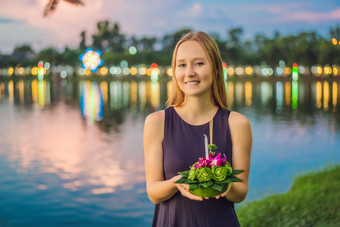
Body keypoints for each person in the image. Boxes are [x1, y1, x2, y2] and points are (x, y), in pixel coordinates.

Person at [143, 31, 252, 227]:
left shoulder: (237, 124)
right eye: (181, 65)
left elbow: (241, 192)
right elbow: (153, 192)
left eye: (199, 63)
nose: (189, 72)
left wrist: (222, 182)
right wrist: (177, 183)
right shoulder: (156, 122)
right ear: (174, 71)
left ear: (216, 69)